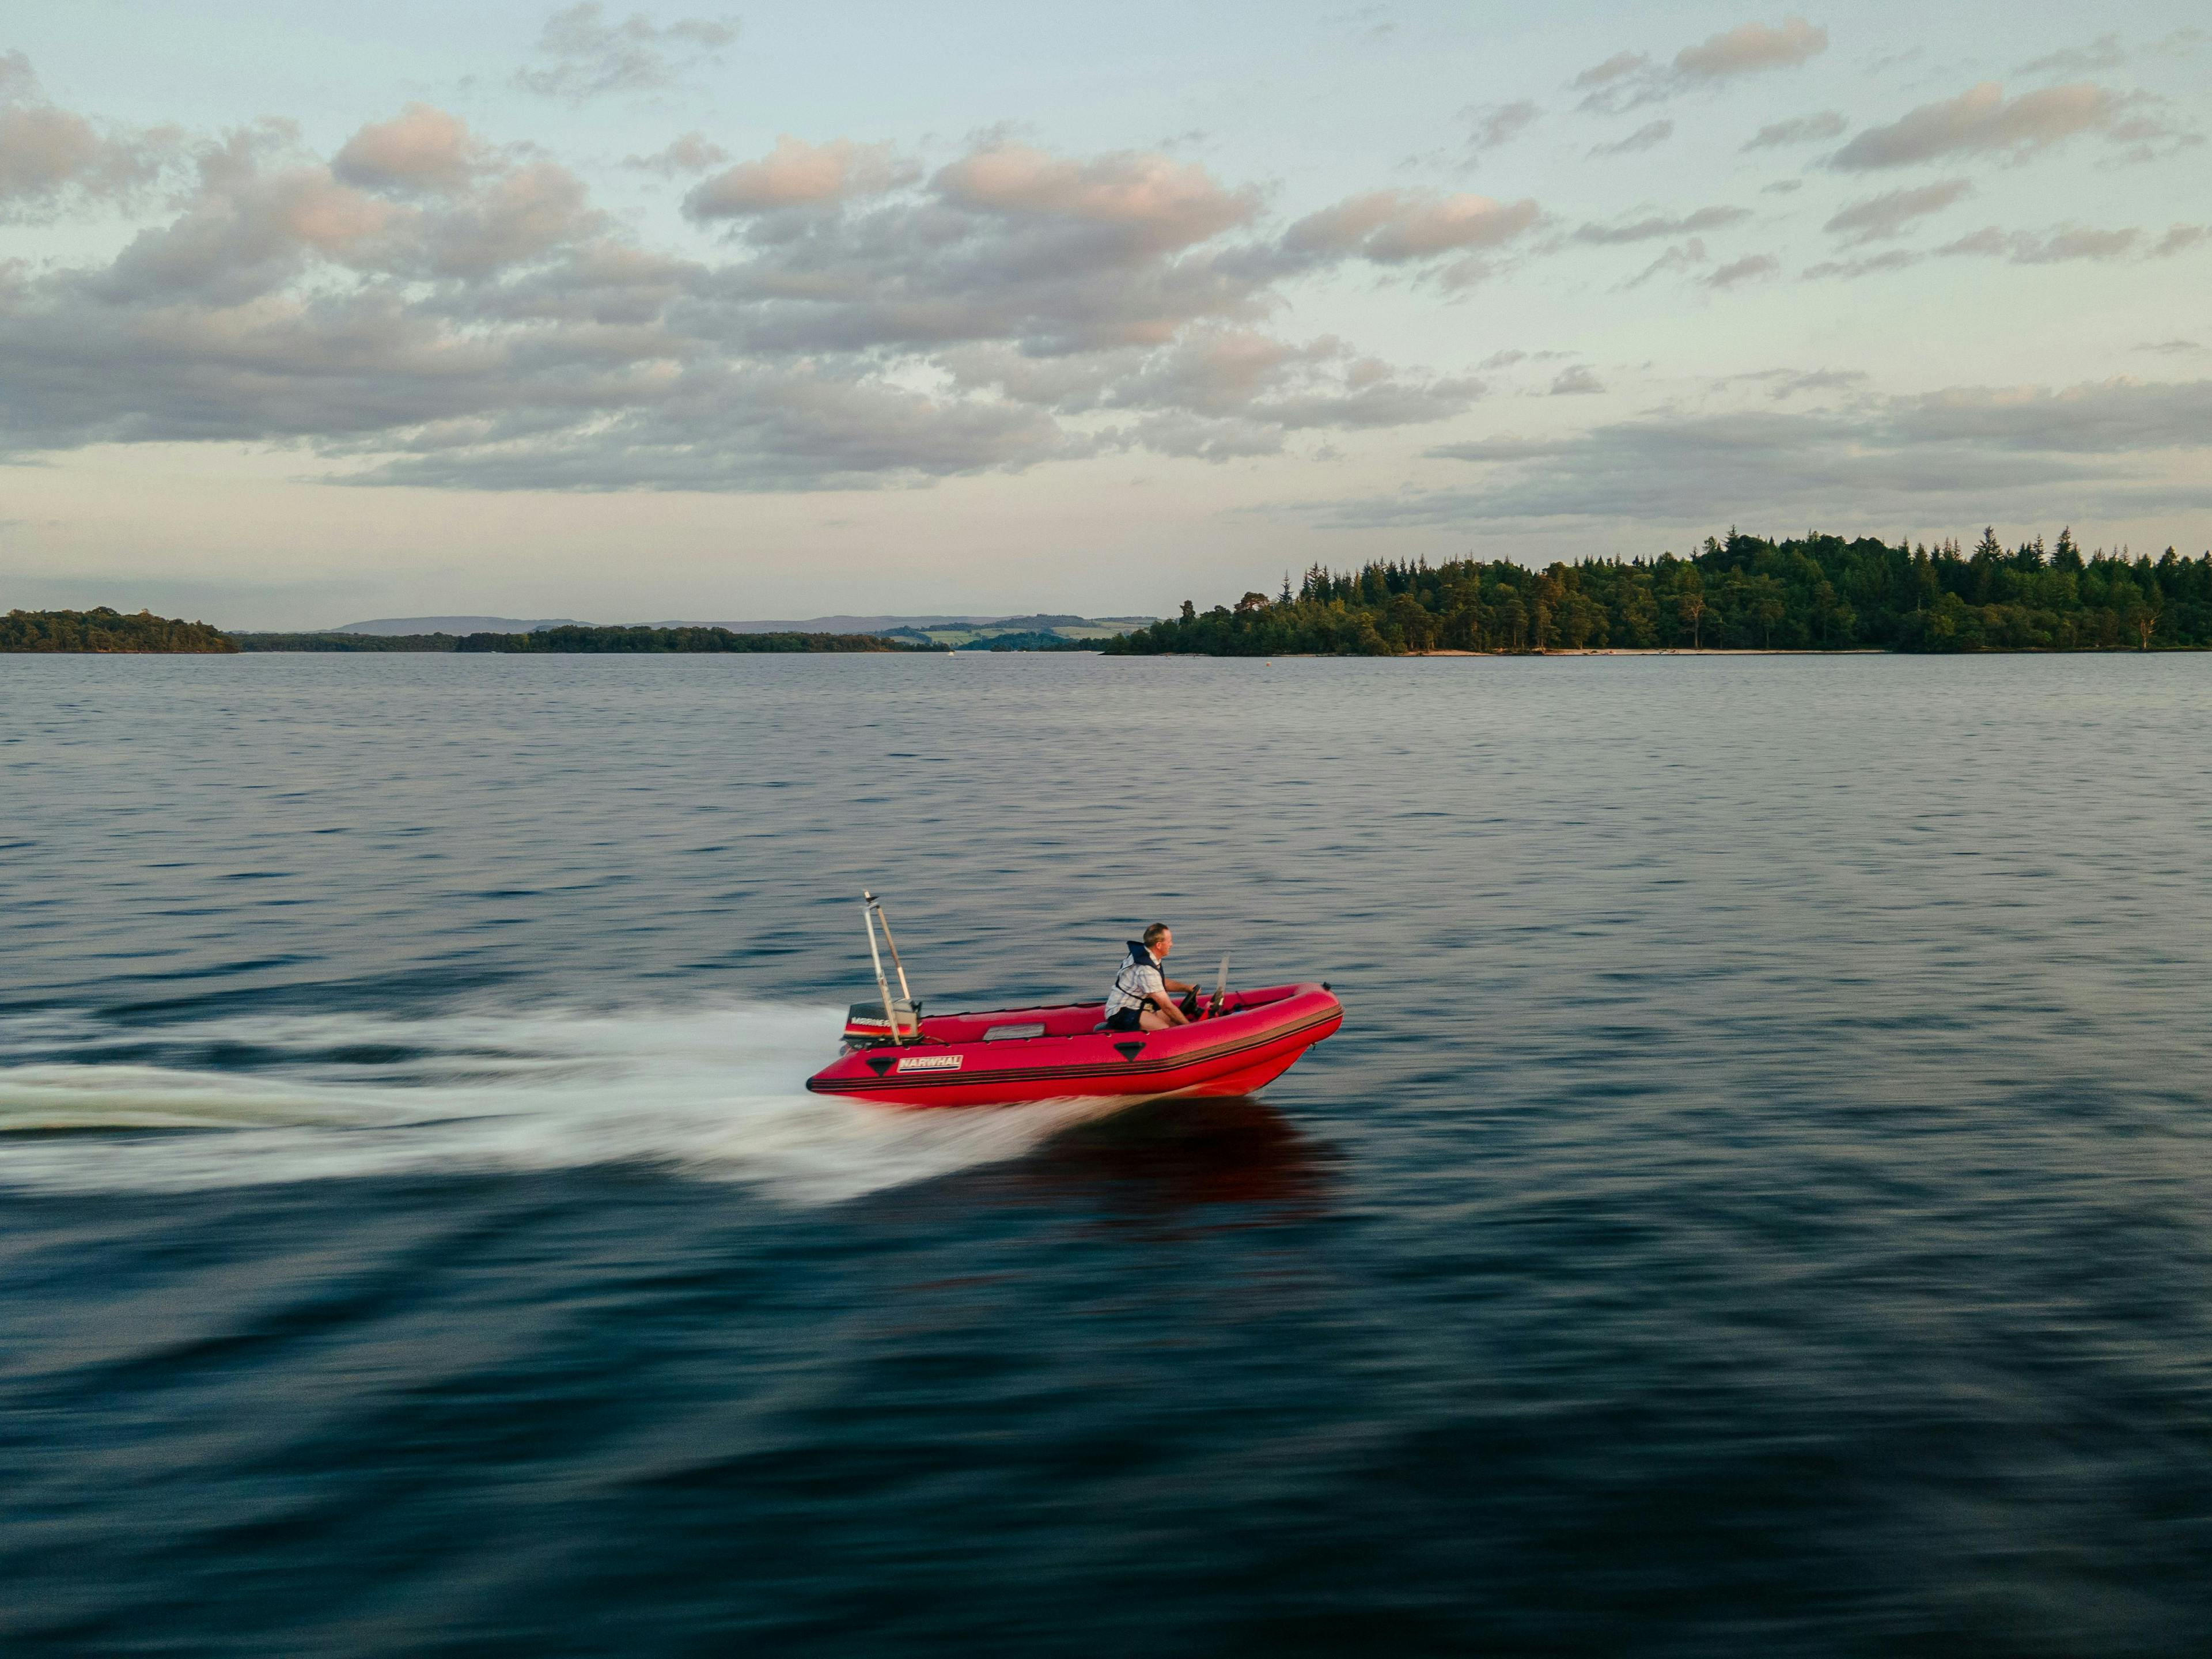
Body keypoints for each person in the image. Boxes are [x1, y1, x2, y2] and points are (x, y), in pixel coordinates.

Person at [1103, 923, 1203, 1032]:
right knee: (1164, 1029)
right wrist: (1190, 1029)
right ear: (1159, 945)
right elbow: (1167, 1006)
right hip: (1122, 1012)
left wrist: (1186, 988)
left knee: (1174, 1023)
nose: (1171, 944)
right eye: (1169, 941)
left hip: (1138, 1006)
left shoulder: (1147, 955)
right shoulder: (1146, 970)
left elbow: (1158, 983)